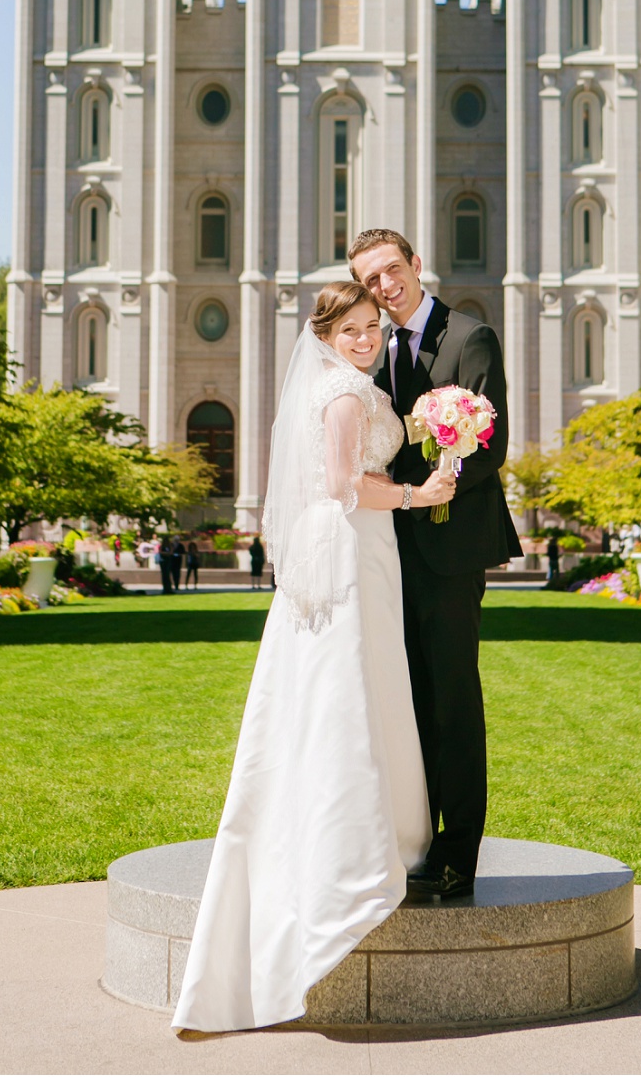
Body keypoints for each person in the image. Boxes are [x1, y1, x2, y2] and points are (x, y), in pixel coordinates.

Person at [172, 281, 456, 1033]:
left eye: (372, 326)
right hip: (356, 550)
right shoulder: (341, 395)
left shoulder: (349, 387)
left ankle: (370, 832)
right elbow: (341, 485)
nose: (365, 337)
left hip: (362, 552)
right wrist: (419, 495)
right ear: (324, 333)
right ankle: (357, 853)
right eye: (351, 327)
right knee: (349, 689)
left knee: (353, 687)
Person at [349, 228, 519, 902]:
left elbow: (490, 444)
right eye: (371, 281)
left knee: (453, 702)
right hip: (390, 551)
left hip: (450, 551)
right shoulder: (372, 350)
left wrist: (437, 488)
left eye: (392, 271)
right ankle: (417, 840)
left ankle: (460, 852)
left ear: (417, 265)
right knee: (408, 701)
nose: (385, 287)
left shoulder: (468, 337)